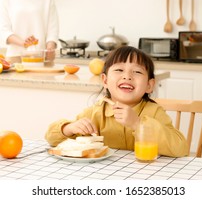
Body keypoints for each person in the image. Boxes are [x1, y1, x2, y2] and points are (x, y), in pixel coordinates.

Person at [45, 46, 188, 157]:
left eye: (137, 72)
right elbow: (51, 138)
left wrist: (138, 124)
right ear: (105, 80)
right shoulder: (96, 112)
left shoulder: (154, 112)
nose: (127, 76)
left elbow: (180, 148)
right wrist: (69, 128)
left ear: (149, 85)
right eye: (119, 70)